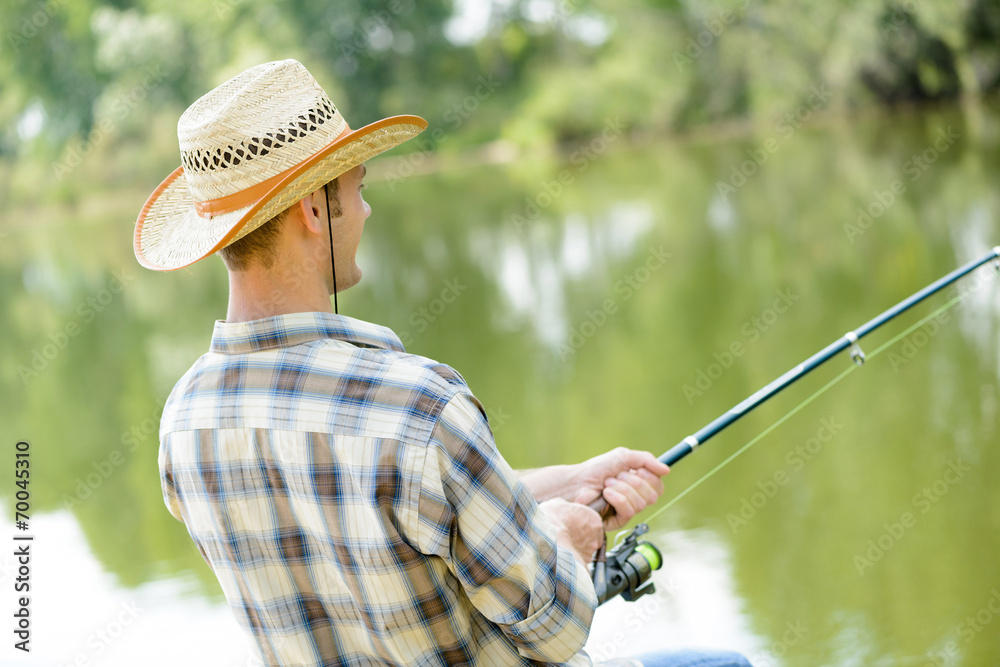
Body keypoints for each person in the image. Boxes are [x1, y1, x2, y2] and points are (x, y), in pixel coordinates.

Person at [136, 59, 752, 667]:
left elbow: (375, 512)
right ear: (314, 211)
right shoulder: (420, 405)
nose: (368, 211)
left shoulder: (184, 422)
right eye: (360, 188)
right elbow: (558, 630)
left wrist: (570, 480)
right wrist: (565, 535)